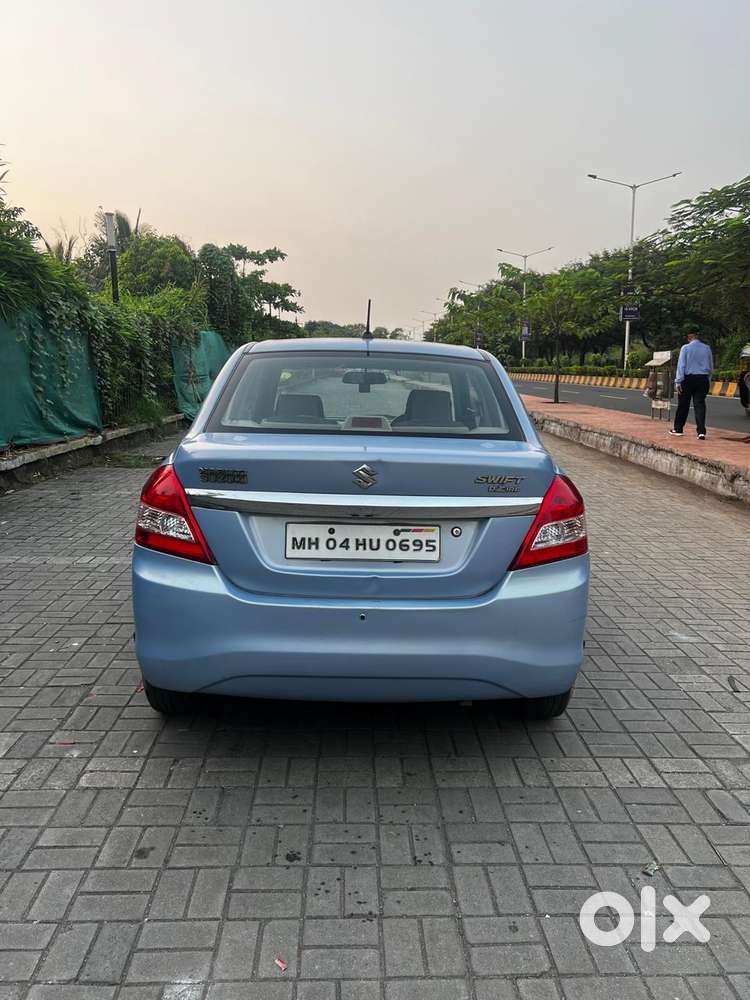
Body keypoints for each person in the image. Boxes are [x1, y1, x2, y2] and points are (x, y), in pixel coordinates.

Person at [670, 329, 713, 439]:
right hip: (703, 379)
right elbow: (710, 366)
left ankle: (678, 429)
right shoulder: (707, 348)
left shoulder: (685, 348)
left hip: (688, 380)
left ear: (689, 337)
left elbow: (681, 366)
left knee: (683, 405)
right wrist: (708, 380)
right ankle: (701, 432)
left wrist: (678, 382)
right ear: (697, 336)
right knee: (700, 405)